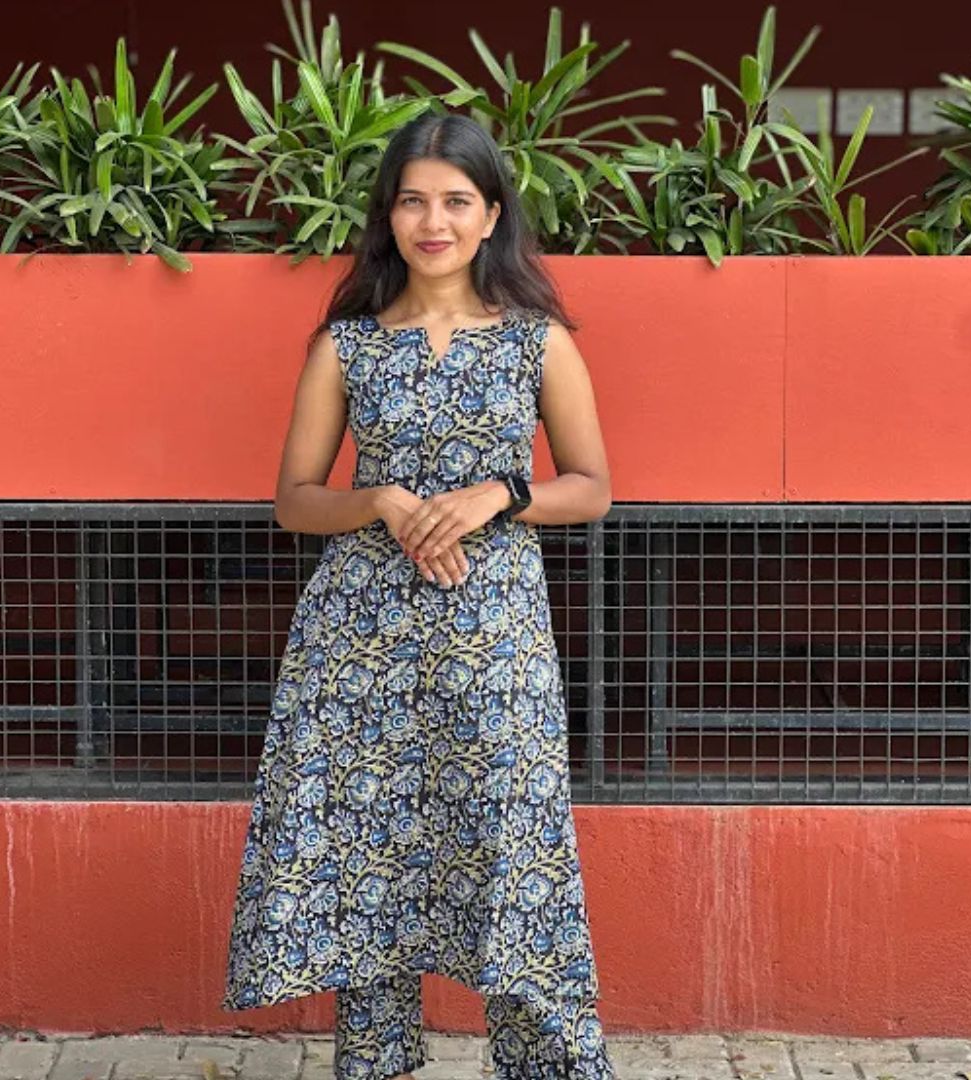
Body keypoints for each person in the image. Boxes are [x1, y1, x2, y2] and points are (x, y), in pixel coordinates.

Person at [222, 111, 617, 1080]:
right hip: (361, 635)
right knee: (372, 849)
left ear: (492, 215)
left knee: (516, 846)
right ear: (388, 215)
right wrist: (380, 501)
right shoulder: (346, 346)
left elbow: (593, 487)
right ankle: (376, 1061)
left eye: (455, 201)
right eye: (412, 201)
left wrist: (500, 493)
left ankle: (550, 1065)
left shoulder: (537, 343)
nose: (433, 222)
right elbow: (293, 501)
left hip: (496, 633)